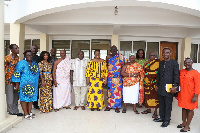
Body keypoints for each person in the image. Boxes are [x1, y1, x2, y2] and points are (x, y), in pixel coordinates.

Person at [154, 47, 179, 127]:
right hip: (161, 86)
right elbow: (159, 75)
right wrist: (157, 84)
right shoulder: (161, 63)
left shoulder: (174, 63)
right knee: (161, 103)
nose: (165, 54)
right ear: (162, 54)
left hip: (169, 87)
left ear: (170, 53)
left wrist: (175, 86)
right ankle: (162, 117)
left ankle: (167, 120)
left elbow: (176, 75)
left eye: (167, 52)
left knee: (168, 104)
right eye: (164, 53)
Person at [11, 50, 39, 120]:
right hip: (23, 85)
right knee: (24, 99)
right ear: (25, 56)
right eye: (28, 55)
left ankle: (29, 112)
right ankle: (25, 113)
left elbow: (37, 73)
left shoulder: (34, 63)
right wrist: (17, 85)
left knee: (31, 99)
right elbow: (17, 74)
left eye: (31, 55)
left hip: (33, 85)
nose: (30, 56)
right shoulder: (21, 63)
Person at [177, 57, 200, 132]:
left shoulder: (196, 73)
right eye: (185, 62)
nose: (187, 64)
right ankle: (183, 123)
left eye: (188, 62)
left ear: (192, 63)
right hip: (183, 94)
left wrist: (195, 96)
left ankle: (187, 126)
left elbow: (198, 85)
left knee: (190, 109)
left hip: (191, 95)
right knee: (183, 108)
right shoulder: (181, 71)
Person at [105, 45, 126, 113]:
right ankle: (110, 105)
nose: (113, 51)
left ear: (117, 50)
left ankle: (117, 106)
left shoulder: (120, 57)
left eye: (115, 49)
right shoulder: (108, 57)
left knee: (118, 92)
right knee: (110, 92)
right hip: (110, 78)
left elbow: (124, 65)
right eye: (112, 49)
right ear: (110, 50)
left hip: (118, 78)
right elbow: (106, 66)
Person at [4, 44, 23, 116]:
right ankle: (11, 111)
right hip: (9, 80)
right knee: (10, 96)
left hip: (16, 80)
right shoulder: (6, 58)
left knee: (16, 96)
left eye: (18, 48)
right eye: (16, 48)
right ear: (11, 50)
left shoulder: (17, 58)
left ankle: (15, 110)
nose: (18, 49)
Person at [141, 52, 161, 119]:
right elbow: (143, 71)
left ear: (156, 56)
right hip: (147, 82)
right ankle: (148, 109)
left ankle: (155, 112)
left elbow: (159, 72)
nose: (152, 56)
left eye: (153, 55)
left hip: (154, 82)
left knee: (155, 97)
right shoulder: (146, 63)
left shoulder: (158, 62)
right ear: (149, 56)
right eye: (151, 55)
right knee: (147, 96)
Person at [31, 45, 40, 109]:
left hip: (36, 77)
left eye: (36, 49)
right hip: (29, 77)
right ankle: (28, 103)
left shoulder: (38, 58)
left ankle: (35, 104)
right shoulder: (27, 57)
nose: (34, 50)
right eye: (33, 48)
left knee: (36, 90)